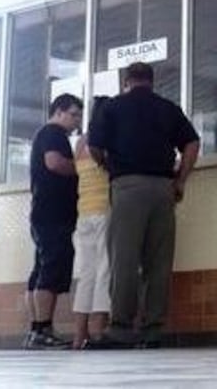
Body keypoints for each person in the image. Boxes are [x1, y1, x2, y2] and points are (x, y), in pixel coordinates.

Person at [87, 62, 199, 349]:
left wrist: (107, 165)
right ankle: (152, 331)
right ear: (152, 81)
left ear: (126, 81)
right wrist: (181, 181)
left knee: (124, 259)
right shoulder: (168, 107)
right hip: (163, 189)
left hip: (127, 187)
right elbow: (192, 143)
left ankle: (122, 329)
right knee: (158, 262)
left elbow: (93, 146)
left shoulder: (111, 107)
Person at [24, 93, 83, 350]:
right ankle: (43, 329)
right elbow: (55, 163)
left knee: (40, 270)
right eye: (74, 114)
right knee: (50, 270)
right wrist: (83, 167)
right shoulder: (53, 134)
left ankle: (37, 329)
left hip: (44, 213)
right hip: (53, 214)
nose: (77, 120)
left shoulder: (46, 135)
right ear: (58, 111)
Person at [72, 96, 112, 350]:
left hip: (84, 211)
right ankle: (98, 331)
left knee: (86, 272)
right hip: (105, 210)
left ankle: (79, 336)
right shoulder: (106, 140)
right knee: (104, 269)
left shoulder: (80, 142)